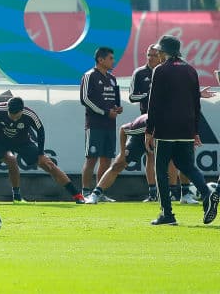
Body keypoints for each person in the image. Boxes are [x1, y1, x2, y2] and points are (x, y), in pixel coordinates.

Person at [0, 96, 84, 205]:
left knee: (48, 164)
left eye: (17, 117)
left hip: (22, 142)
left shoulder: (30, 114)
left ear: (22, 110)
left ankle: (77, 196)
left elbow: (40, 131)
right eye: (11, 116)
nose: (14, 119)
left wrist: (41, 154)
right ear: (7, 109)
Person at [145, 34, 218, 225]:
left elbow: (154, 103)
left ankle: (167, 214)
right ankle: (207, 193)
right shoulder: (191, 70)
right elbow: (196, 104)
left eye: (159, 51)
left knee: (161, 170)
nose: (158, 54)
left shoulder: (160, 70)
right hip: (186, 128)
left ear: (164, 52)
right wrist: (195, 131)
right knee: (186, 165)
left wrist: (149, 130)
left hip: (165, 128)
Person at [79, 46, 122, 198]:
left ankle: (99, 192)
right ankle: (85, 191)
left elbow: (115, 100)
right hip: (95, 124)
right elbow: (85, 99)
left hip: (110, 125)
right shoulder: (89, 75)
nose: (113, 61)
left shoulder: (112, 78)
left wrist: (117, 108)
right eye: (110, 58)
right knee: (91, 159)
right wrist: (105, 112)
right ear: (100, 60)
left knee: (106, 160)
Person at [85, 113, 149, 203]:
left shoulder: (168, 125)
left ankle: (158, 194)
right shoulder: (142, 125)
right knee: (117, 166)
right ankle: (95, 194)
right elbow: (123, 129)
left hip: (162, 140)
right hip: (139, 139)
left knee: (165, 163)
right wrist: (122, 153)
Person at [128, 43, 162, 201]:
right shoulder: (140, 72)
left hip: (165, 119)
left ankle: (174, 191)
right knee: (150, 155)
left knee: (169, 157)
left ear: (160, 56)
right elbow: (132, 96)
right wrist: (149, 94)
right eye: (149, 55)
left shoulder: (164, 71)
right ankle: (153, 192)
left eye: (154, 55)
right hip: (147, 119)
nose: (151, 58)